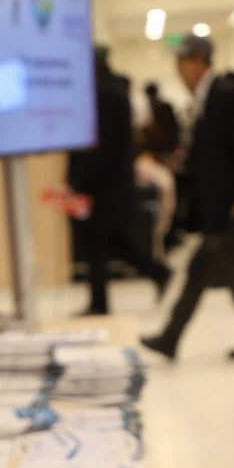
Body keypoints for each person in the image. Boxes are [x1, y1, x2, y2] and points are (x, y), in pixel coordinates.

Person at [141, 34, 234, 361]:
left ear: (200, 61)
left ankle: (170, 338)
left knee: (201, 269)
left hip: (231, 203)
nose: (179, 69)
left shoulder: (225, 95)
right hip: (219, 202)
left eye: (183, 61)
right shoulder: (207, 97)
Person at [68, 47, 171, 315]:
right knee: (113, 243)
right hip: (111, 182)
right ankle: (156, 272)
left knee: (100, 243)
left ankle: (101, 302)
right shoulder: (112, 91)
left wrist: (80, 179)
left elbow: (101, 147)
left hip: (105, 184)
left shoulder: (104, 94)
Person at [143, 82, 180, 158]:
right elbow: (174, 125)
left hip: (153, 143)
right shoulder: (166, 105)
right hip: (167, 141)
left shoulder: (146, 107)